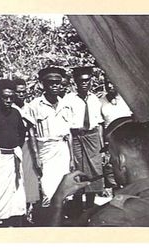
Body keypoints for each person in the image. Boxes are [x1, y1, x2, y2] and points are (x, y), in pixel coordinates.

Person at [40, 121, 149, 227]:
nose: (109, 163)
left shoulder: (113, 217)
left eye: (110, 156)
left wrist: (57, 201)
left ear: (121, 160)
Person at [29, 66, 73, 206]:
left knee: (65, 190)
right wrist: (36, 158)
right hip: (45, 150)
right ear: (43, 84)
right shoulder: (34, 106)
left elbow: (69, 134)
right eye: (50, 82)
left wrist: (72, 158)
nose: (54, 86)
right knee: (48, 190)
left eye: (57, 82)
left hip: (63, 149)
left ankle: (62, 220)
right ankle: (47, 223)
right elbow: (31, 133)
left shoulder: (66, 105)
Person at [63, 66, 104, 213]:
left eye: (87, 80)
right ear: (76, 83)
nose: (84, 84)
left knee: (95, 170)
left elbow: (99, 124)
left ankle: (91, 207)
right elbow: (66, 126)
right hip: (77, 137)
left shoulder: (95, 99)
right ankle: (78, 206)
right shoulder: (68, 99)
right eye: (81, 81)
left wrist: (102, 145)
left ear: (91, 81)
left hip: (92, 138)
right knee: (78, 170)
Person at [0, 79, 27, 227]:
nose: (8, 100)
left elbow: (21, 133)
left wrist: (15, 149)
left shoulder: (16, 113)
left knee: (15, 190)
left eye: (11, 97)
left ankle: (13, 219)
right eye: (5, 97)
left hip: (13, 156)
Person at [13, 78, 40, 222]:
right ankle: (18, 212)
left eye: (23, 92)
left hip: (28, 145)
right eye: (18, 92)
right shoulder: (10, 107)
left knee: (30, 178)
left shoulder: (29, 108)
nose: (21, 95)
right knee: (17, 179)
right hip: (14, 145)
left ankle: (29, 211)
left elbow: (32, 129)